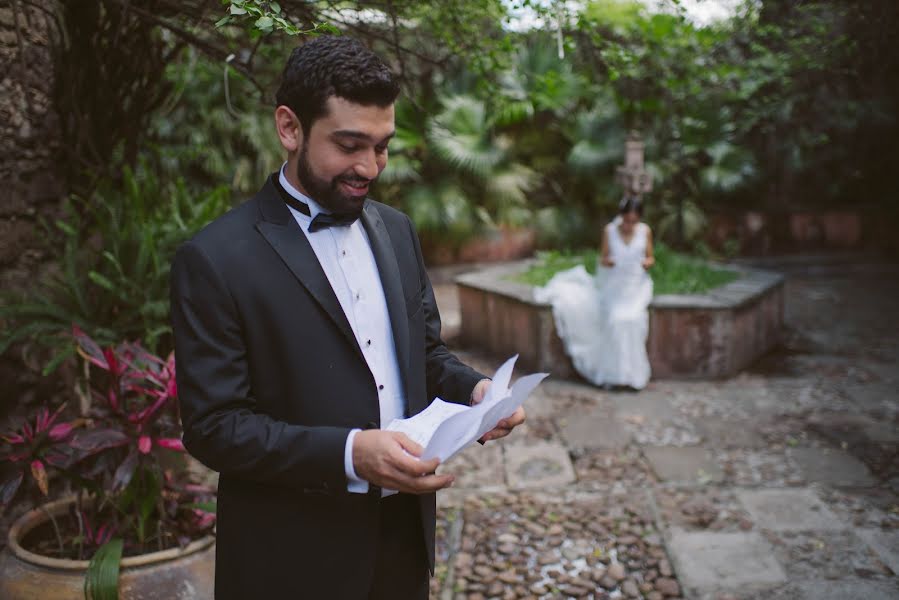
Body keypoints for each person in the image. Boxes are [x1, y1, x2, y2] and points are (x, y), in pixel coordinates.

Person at [169, 36, 525, 599]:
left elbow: (424, 353)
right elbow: (214, 429)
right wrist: (351, 454)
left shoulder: (397, 230)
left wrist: (475, 390)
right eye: (350, 144)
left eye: (382, 147)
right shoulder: (213, 260)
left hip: (403, 540)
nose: (370, 167)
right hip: (289, 560)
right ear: (289, 128)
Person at [534, 196, 654, 390]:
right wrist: (612, 263)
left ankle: (633, 376)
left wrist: (645, 263)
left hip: (636, 287)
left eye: (634, 221)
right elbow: (603, 258)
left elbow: (650, 257)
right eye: (627, 220)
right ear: (621, 216)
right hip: (614, 286)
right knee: (616, 321)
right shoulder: (610, 231)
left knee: (633, 321)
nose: (630, 225)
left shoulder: (645, 231)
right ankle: (615, 375)